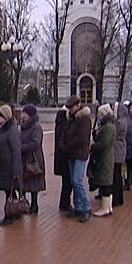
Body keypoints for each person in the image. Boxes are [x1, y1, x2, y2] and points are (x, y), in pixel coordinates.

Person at [60, 95, 92, 223]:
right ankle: (78, 206)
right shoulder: (71, 119)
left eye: (71, 107)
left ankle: (86, 207)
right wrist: (62, 145)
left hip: (79, 153)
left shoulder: (84, 119)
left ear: (77, 106)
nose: (70, 110)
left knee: (77, 180)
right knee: (74, 181)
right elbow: (64, 133)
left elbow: (82, 138)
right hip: (71, 154)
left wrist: (67, 146)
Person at [0, 104, 22, 226]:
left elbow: (16, 151)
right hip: (3, 166)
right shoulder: (1, 129)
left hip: (9, 167)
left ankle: (9, 215)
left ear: (6, 117)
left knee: (9, 191)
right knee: (9, 191)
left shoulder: (11, 130)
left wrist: (15, 170)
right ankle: (14, 213)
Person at [90, 104, 116, 217]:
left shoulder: (108, 127)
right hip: (105, 157)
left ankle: (105, 207)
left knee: (105, 182)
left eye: (99, 114)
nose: (98, 116)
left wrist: (93, 147)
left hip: (105, 158)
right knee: (106, 182)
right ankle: (108, 206)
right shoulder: (106, 126)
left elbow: (104, 143)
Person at [20, 104, 46, 214]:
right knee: (25, 180)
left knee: (33, 179)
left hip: (33, 158)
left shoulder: (36, 127)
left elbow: (36, 143)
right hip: (24, 157)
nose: (23, 115)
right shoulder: (23, 126)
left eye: (25, 113)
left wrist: (22, 148)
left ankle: (34, 204)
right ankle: (24, 203)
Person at [54, 107, 73, 211]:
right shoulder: (65, 124)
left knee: (65, 181)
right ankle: (65, 203)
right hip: (65, 156)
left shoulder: (59, 124)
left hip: (60, 157)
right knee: (68, 181)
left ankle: (64, 202)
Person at [112, 102, 128, 207]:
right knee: (118, 173)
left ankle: (116, 198)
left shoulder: (118, 123)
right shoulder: (124, 121)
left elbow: (114, 133)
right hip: (121, 148)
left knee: (116, 175)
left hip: (117, 148)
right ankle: (120, 198)